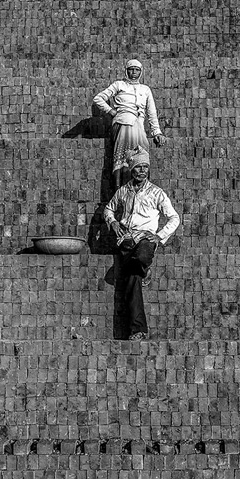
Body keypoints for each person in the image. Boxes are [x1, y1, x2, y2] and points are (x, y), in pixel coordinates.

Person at [103, 147, 180, 340]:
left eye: (145, 167)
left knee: (142, 257)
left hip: (146, 238)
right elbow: (108, 209)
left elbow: (174, 218)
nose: (142, 171)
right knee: (132, 283)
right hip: (126, 240)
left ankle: (144, 269)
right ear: (132, 169)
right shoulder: (123, 191)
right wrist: (112, 222)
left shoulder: (156, 193)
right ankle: (138, 329)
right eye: (139, 167)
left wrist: (160, 235)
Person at [93, 59, 167, 186]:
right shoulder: (119, 85)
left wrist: (157, 133)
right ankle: (120, 188)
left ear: (141, 72)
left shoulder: (145, 89)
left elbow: (152, 113)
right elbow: (98, 98)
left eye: (137, 70)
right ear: (126, 71)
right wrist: (111, 111)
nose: (134, 72)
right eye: (131, 69)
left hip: (139, 126)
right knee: (125, 155)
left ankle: (141, 188)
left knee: (142, 153)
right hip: (122, 123)